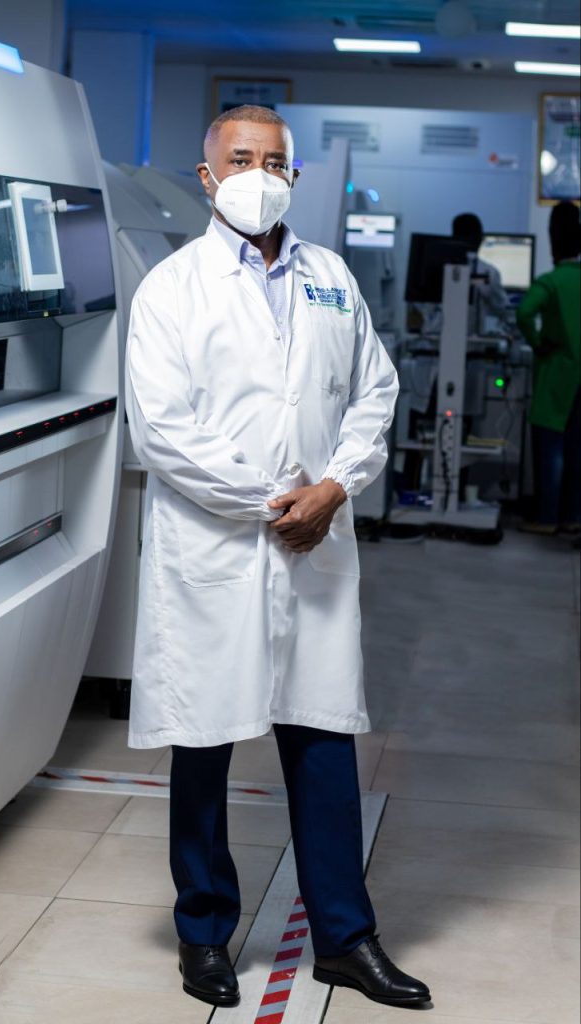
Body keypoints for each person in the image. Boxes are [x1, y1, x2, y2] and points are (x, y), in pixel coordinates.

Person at [124, 104, 431, 1011]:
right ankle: (205, 933)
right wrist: (274, 500)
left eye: (275, 159)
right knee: (206, 742)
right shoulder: (171, 288)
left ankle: (345, 936)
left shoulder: (332, 277)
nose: (260, 171)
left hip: (317, 539)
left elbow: (374, 390)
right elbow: (163, 430)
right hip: (218, 548)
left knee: (323, 734)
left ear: (293, 175)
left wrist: (334, 486)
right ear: (208, 175)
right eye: (241, 157)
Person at [516, 201, 581, 534]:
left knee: (550, 450)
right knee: (576, 453)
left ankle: (545, 518)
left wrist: (538, 342)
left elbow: (524, 312)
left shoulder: (551, 282)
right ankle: (572, 518)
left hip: (557, 375)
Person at [451, 211, 508, 323]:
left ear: (453, 237)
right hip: (472, 337)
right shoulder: (488, 272)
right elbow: (501, 307)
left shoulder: (436, 267)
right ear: (480, 238)